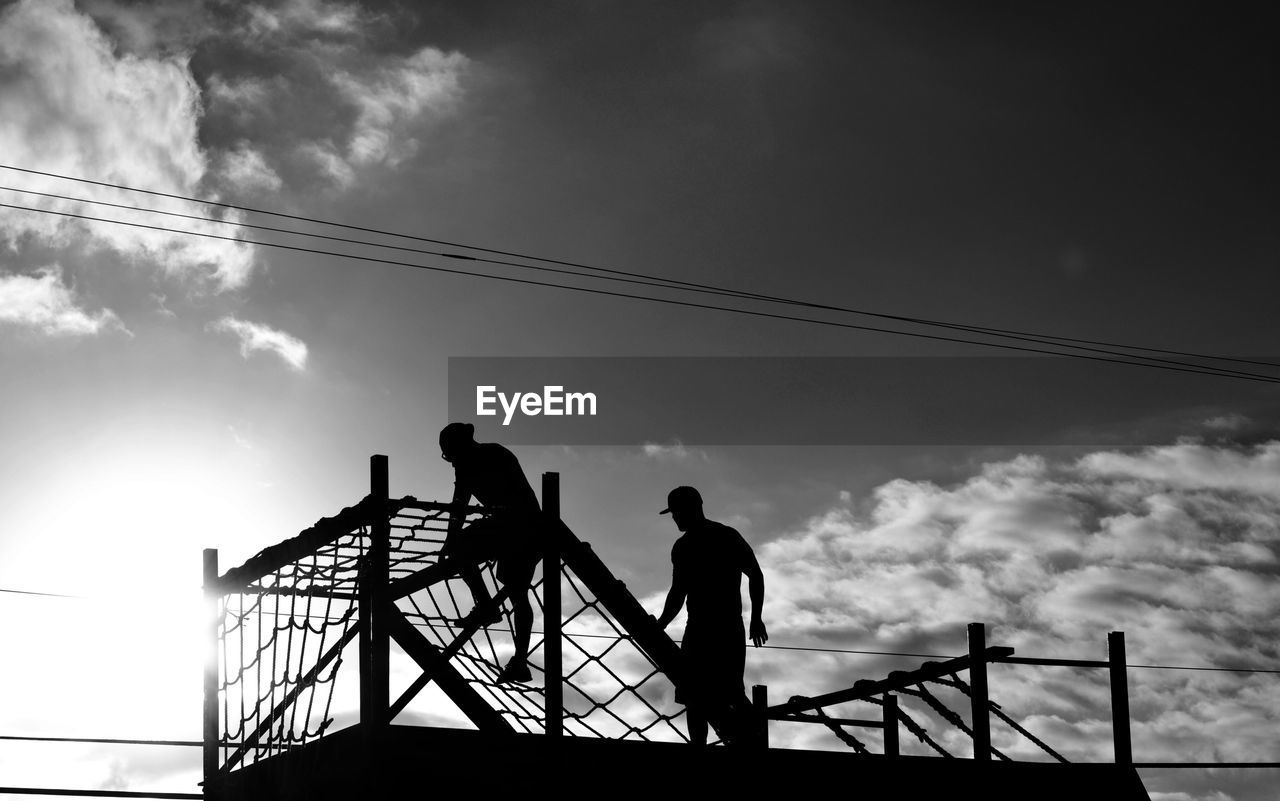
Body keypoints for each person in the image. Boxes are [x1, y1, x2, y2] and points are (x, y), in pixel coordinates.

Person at [655, 486, 767, 745]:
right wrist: (660, 624)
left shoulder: (720, 538)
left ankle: (746, 743)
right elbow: (678, 593)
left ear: (691, 509)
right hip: (704, 629)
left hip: (722, 629)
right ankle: (721, 745)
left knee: (720, 693)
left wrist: (756, 618)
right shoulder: (688, 545)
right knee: (698, 695)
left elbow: (755, 575)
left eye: (676, 513)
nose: (674, 518)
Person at [437, 422, 542, 683]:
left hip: (520, 527)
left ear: (459, 448)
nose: (450, 462)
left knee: (516, 592)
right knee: (518, 593)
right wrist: (451, 540)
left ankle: (490, 614)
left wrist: (450, 540)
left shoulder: (487, 457)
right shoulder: (484, 457)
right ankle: (491, 614)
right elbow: (460, 505)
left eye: (450, 455)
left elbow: (460, 505)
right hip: (519, 527)